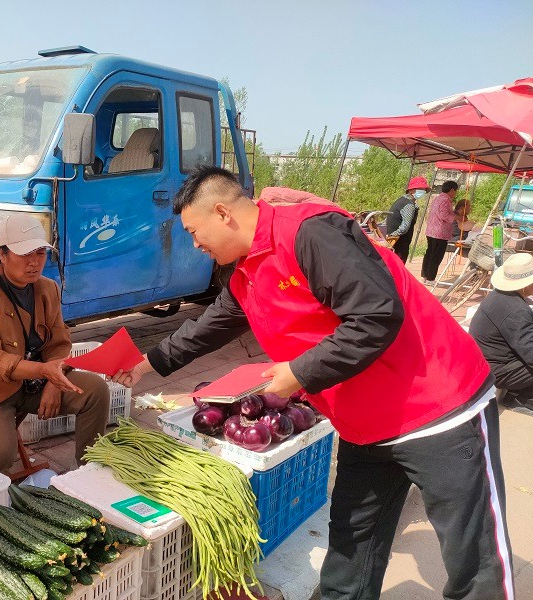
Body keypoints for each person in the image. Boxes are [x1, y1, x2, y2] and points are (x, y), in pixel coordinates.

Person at [114, 166, 513, 600]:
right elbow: (214, 323)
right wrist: (148, 362)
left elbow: (376, 316)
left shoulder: (309, 233)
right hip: (364, 420)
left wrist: (300, 372)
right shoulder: (245, 269)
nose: (194, 243)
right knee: (352, 543)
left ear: (223, 212)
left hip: (436, 407)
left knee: (472, 555)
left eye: (194, 230)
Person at [0, 213, 110, 473]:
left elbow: (58, 344)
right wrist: (45, 372)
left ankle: (89, 471)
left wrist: (54, 381)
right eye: (24, 254)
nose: (34, 263)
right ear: (3, 254)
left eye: (40, 253)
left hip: (31, 383)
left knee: (95, 391)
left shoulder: (48, 288)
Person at [470, 252, 533, 413]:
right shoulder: (516, 310)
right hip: (495, 369)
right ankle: (521, 399)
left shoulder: (500, 296)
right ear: (525, 285)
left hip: (489, 360)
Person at [421, 180, 459, 282]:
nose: (455, 194)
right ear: (451, 190)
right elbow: (443, 215)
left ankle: (425, 276)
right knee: (436, 256)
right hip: (439, 233)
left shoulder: (437, 198)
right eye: (455, 191)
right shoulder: (445, 200)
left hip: (431, 231)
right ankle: (430, 278)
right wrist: (456, 218)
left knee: (429, 253)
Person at [386, 176, 429, 263]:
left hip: (393, 238)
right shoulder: (409, 205)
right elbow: (405, 227)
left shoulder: (400, 200)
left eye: (424, 190)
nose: (423, 192)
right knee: (398, 266)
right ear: (411, 190)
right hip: (399, 241)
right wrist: (392, 237)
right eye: (420, 189)